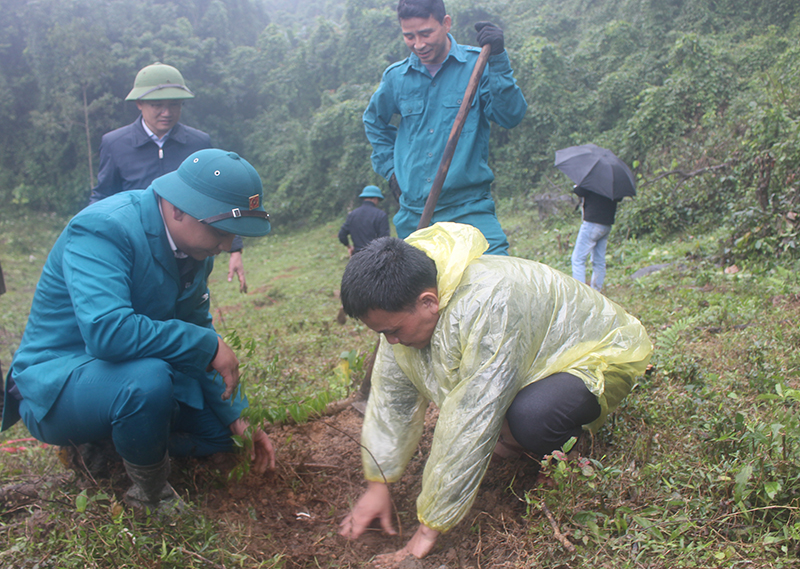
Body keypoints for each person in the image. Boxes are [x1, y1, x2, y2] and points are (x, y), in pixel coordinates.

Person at [337, 222, 652, 563]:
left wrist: (427, 532)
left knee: (531, 417)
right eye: (383, 333)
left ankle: (567, 454)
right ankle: (517, 438)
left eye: (394, 331)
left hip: (597, 356)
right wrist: (378, 484)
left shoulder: (488, 303)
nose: (391, 341)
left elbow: (474, 411)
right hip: (533, 364)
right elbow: (391, 402)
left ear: (428, 301)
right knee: (506, 414)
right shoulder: (402, 313)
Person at [2, 149, 276, 513]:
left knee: (221, 435)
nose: (227, 246)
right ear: (178, 208)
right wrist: (206, 345)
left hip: (127, 371)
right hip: (62, 382)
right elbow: (107, 333)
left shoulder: (195, 251)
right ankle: (149, 494)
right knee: (148, 380)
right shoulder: (103, 228)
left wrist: (237, 415)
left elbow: (195, 324)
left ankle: (113, 446)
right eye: (221, 232)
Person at [363, 0, 527, 256]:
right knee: (425, 293)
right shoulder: (397, 77)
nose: (418, 44)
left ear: (446, 23)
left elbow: (511, 116)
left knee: (497, 283)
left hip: (470, 209)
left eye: (426, 33)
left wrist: (498, 60)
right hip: (415, 215)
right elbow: (373, 121)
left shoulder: (478, 64)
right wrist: (391, 170)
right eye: (409, 36)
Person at [89, 62, 249, 293]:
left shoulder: (198, 143)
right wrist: (92, 232)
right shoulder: (115, 144)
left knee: (188, 309)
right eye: (157, 105)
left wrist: (234, 248)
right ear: (139, 103)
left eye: (175, 104)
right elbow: (104, 194)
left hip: (189, 250)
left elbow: (215, 196)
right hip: (137, 246)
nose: (167, 112)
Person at [571, 185, 621, 291]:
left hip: (592, 223)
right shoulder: (612, 182)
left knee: (578, 259)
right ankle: (597, 289)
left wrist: (577, 185)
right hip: (606, 224)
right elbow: (619, 198)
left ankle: (579, 292)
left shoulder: (593, 180)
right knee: (599, 260)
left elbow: (579, 191)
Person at [338, 185, 391, 256]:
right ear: (375, 199)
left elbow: (342, 235)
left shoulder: (353, 214)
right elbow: (385, 240)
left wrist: (349, 247)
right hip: (375, 257)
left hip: (357, 257)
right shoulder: (380, 215)